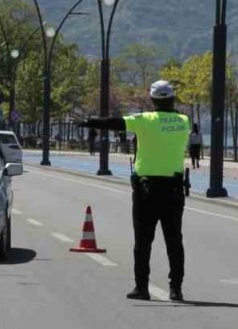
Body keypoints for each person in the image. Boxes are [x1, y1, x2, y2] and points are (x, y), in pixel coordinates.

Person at [78, 80, 190, 302]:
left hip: (146, 190)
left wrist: (89, 122)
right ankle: (176, 289)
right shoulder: (183, 121)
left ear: (152, 99)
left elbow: (115, 123)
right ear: (172, 98)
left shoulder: (145, 120)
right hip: (174, 190)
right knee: (174, 241)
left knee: (143, 241)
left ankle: (142, 287)